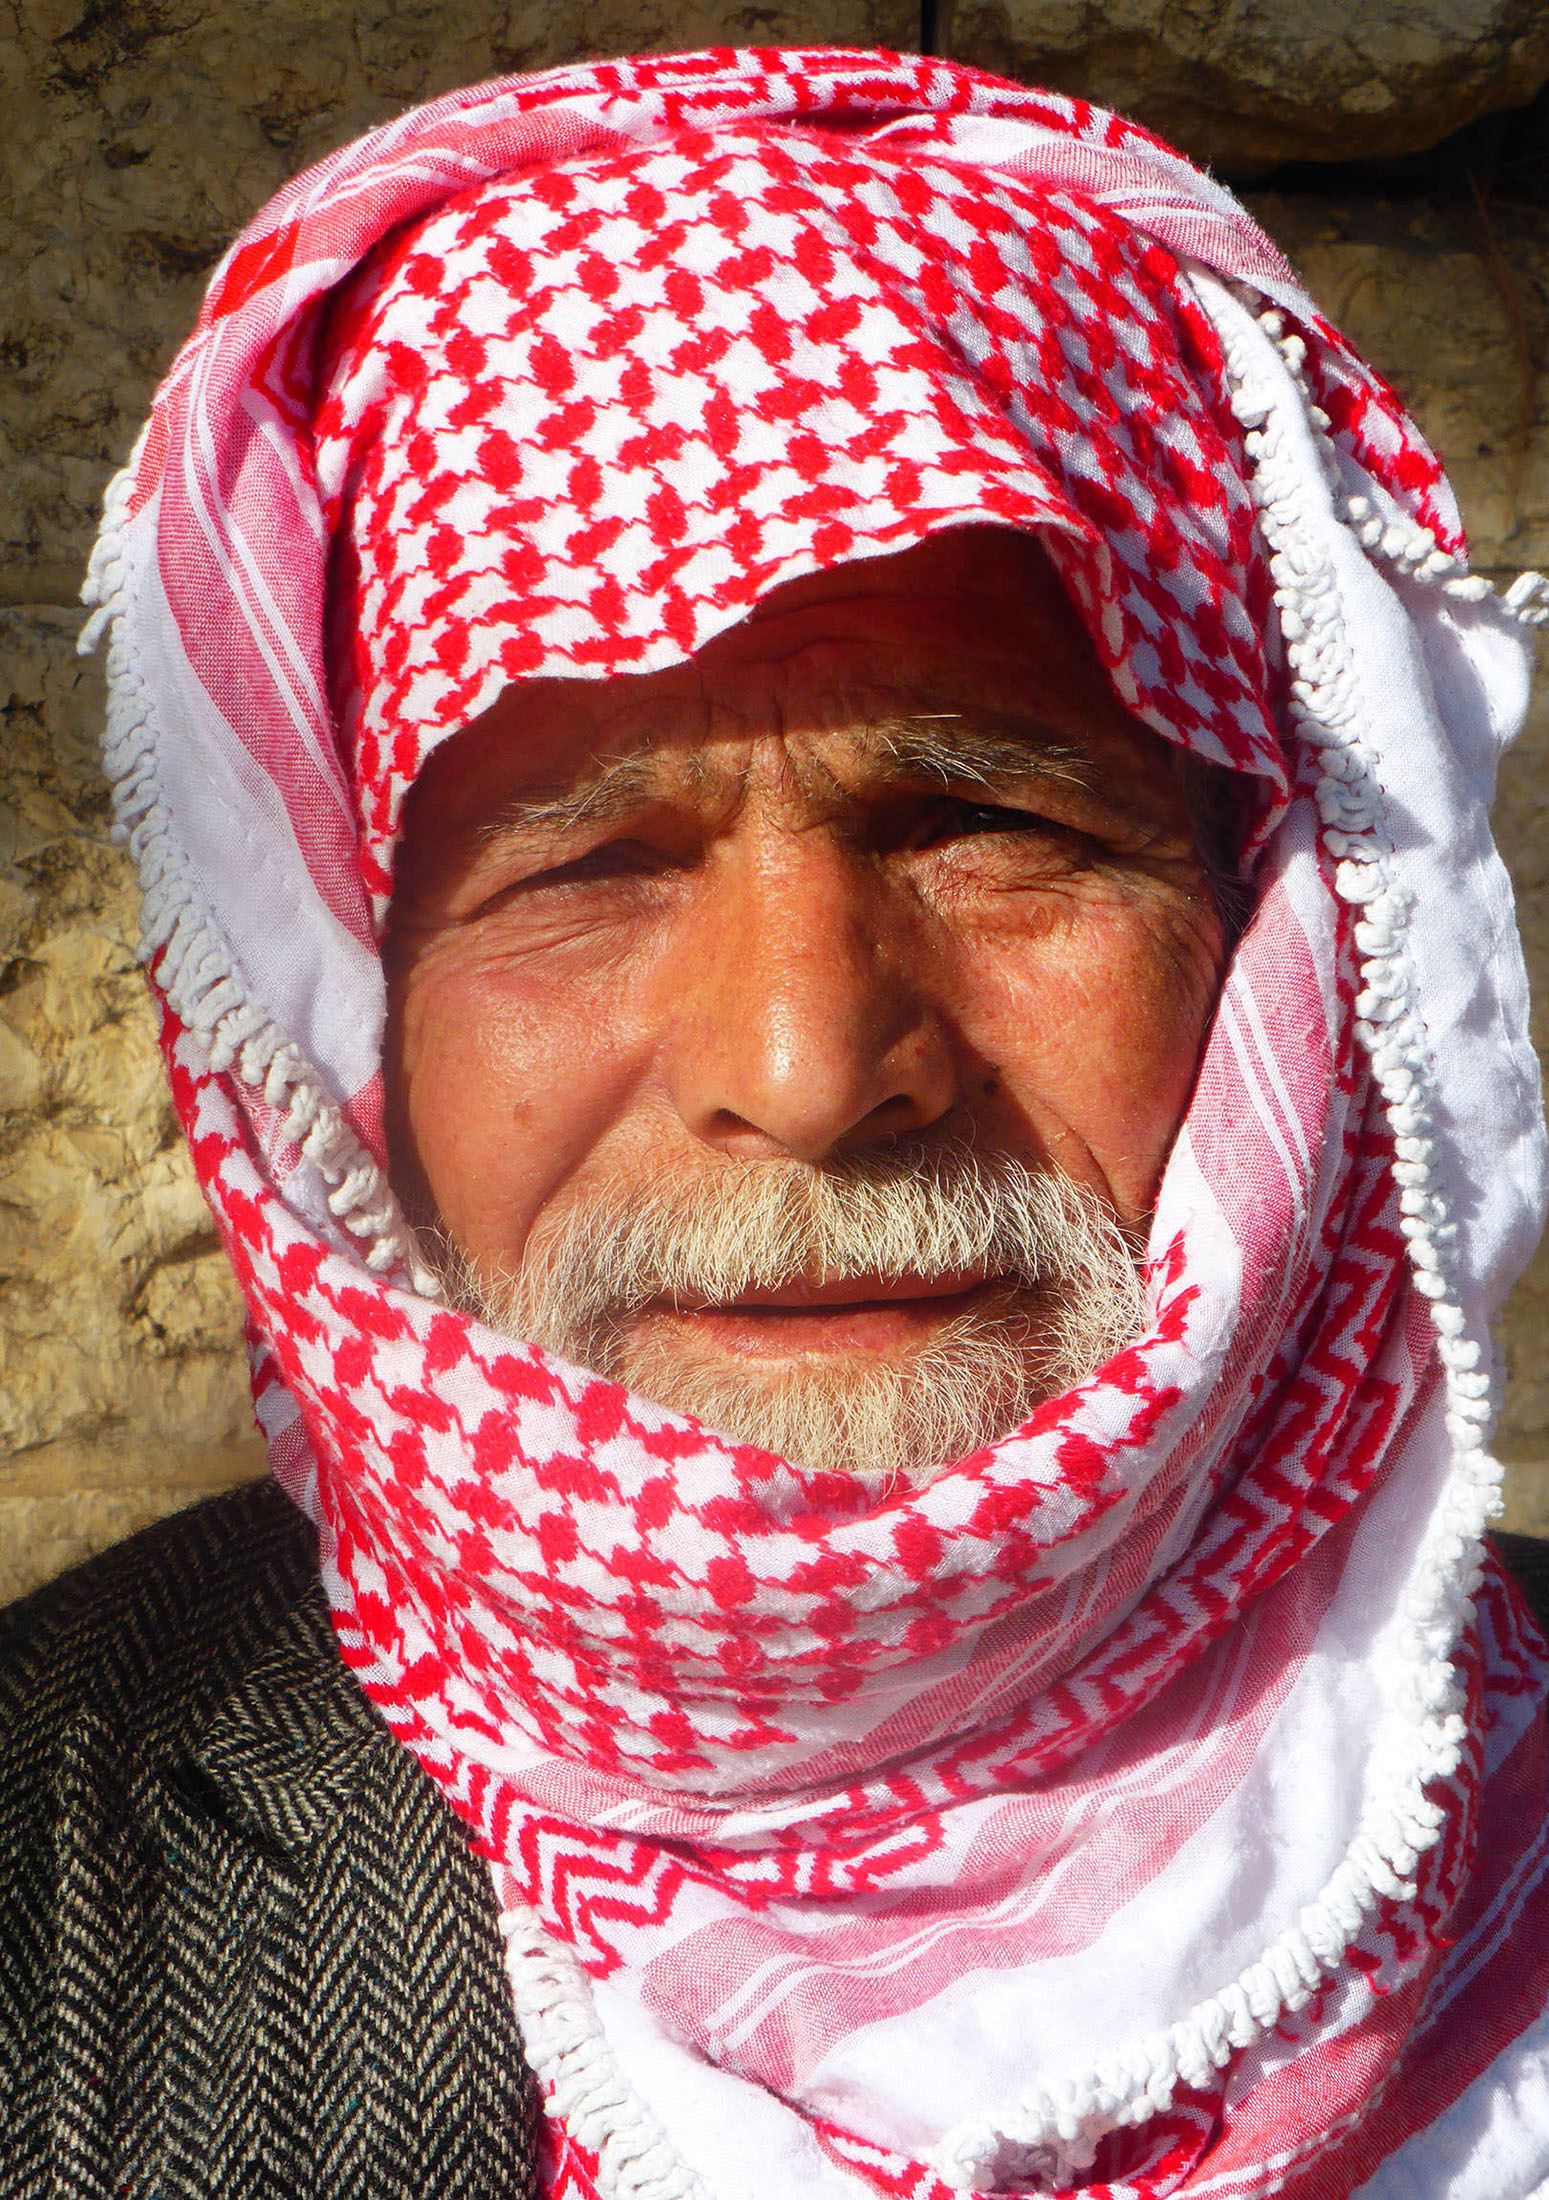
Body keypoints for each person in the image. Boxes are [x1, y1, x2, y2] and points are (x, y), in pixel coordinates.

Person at [4, 43, 1549, 2200]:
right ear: (359, 1020)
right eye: (589, 861)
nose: (814, 1071)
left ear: (1267, 927)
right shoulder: (47, 1898)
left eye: (983, 819)